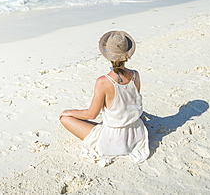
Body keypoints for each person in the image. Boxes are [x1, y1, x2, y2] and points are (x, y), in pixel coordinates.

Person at [60, 30, 149, 166]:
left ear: (107, 55)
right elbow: (132, 103)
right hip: (136, 132)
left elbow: (92, 114)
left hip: (114, 139)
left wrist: (69, 112)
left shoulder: (103, 81)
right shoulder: (135, 75)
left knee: (65, 118)